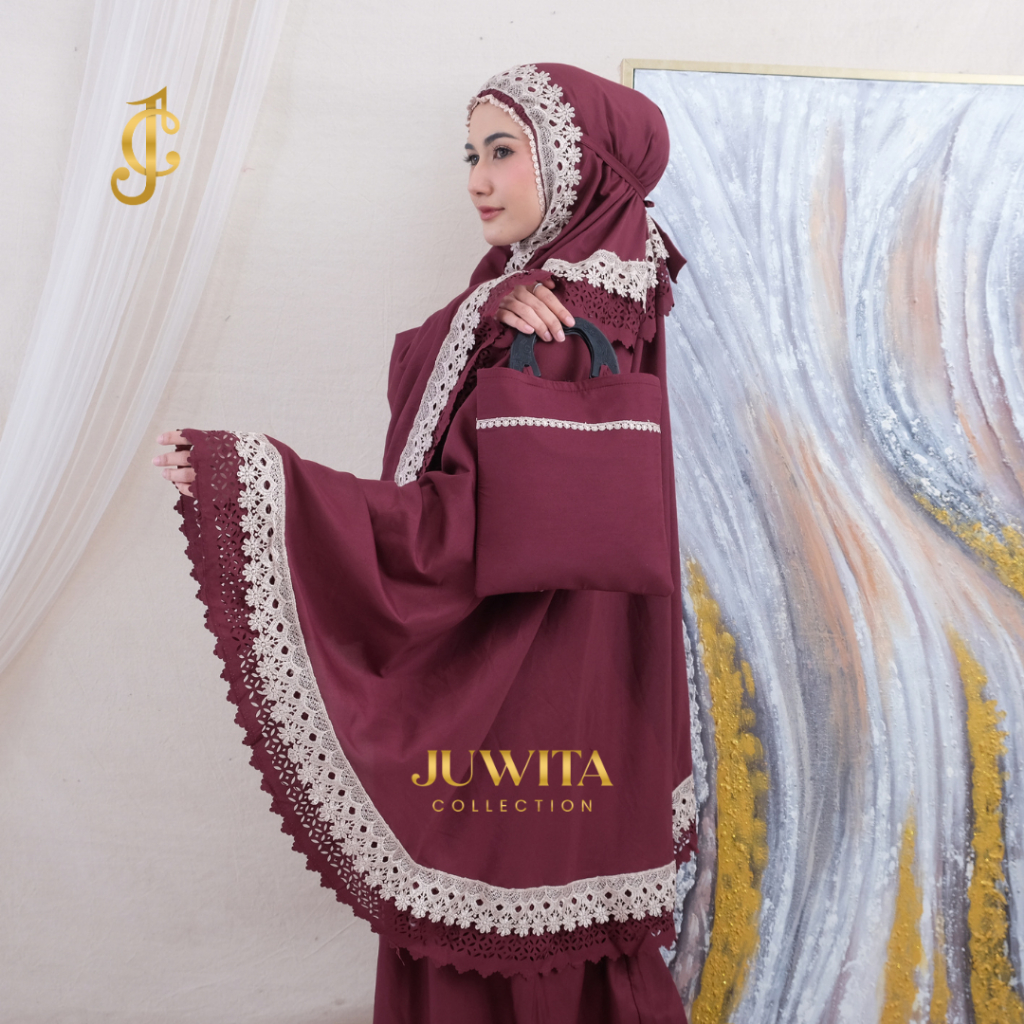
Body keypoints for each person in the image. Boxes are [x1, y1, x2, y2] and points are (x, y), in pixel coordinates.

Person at [154, 63, 695, 1024]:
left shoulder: (554, 326)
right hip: (591, 688)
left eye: (503, 151)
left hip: (522, 697)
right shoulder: (588, 301)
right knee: (567, 949)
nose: (478, 181)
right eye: (470, 155)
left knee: (497, 948)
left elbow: (459, 534)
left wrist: (259, 481)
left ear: (577, 169)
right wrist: (480, 311)